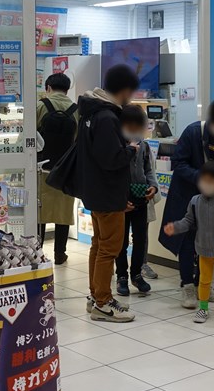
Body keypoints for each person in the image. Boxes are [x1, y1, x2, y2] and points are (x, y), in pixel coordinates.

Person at [159, 98, 214, 309]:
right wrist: (204, 177)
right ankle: (187, 284)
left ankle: (203, 285)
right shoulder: (192, 133)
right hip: (187, 195)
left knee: (210, 241)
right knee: (187, 240)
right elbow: (178, 164)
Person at [75, 64, 140, 323]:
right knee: (110, 248)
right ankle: (103, 301)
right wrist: (131, 150)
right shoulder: (107, 117)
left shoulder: (90, 114)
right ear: (124, 90)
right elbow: (111, 159)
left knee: (98, 245)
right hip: (108, 194)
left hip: (94, 191)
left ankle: (95, 295)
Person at [163, 161, 214, 323]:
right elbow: (188, 221)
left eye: (211, 181)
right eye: (203, 180)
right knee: (203, 281)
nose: (206, 185)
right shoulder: (195, 201)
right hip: (203, 250)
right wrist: (176, 227)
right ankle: (203, 308)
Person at [116, 104, 158, 297]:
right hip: (122, 199)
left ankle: (137, 275)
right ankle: (122, 276)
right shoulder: (117, 144)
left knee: (140, 238)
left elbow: (148, 169)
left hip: (141, 196)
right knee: (121, 241)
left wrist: (153, 186)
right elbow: (112, 173)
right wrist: (119, 199)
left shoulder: (144, 145)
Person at [37, 72, 78, 265]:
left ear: (48, 88)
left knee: (40, 212)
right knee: (63, 212)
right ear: (67, 89)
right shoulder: (76, 110)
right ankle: (60, 254)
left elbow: (29, 137)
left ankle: (37, 252)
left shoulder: (41, 106)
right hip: (67, 170)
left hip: (42, 168)